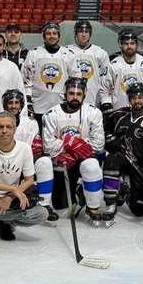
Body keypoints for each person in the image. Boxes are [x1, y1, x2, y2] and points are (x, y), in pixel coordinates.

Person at [0, 111, 49, 253]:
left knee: (42, 213)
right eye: (0, 127)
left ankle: (4, 221)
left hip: (8, 202)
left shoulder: (24, 148)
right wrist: (14, 190)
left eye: (8, 127)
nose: (4, 131)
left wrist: (10, 197)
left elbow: (30, 180)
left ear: (15, 129)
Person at [42, 77, 106, 224]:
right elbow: (47, 145)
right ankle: (79, 193)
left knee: (91, 165)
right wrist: (68, 144)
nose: (75, 97)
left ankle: (93, 207)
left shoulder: (94, 113)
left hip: (84, 158)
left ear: (84, 95)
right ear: (65, 94)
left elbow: (98, 144)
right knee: (64, 212)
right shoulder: (51, 114)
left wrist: (74, 148)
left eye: (78, 94)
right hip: (62, 161)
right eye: (71, 93)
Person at [102, 82, 143, 222]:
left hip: (142, 166)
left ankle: (126, 192)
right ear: (129, 99)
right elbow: (103, 130)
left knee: (138, 211)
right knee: (112, 160)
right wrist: (109, 138)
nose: (137, 101)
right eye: (134, 97)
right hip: (123, 159)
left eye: (140, 97)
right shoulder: (118, 115)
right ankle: (111, 204)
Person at [22, 20, 74, 120]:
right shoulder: (34, 53)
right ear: (44, 36)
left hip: (61, 106)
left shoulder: (68, 54)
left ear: (59, 35)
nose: (52, 36)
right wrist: (28, 99)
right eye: (48, 34)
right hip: (38, 106)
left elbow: (74, 79)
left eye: (54, 33)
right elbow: (27, 80)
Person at [102, 29, 143, 115]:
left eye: (132, 43)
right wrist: (106, 103)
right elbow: (105, 88)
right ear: (121, 45)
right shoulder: (113, 65)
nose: (129, 46)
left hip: (142, 110)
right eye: (126, 44)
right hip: (120, 111)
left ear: (137, 45)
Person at [65, 20, 111, 108]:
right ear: (75, 33)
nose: (83, 35)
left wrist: (105, 100)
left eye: (86, 32)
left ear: (90, 34)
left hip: (94, 101)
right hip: (71, 101)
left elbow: (105, 80)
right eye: (80, 31)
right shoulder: (66, 52)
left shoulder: (100, 53)